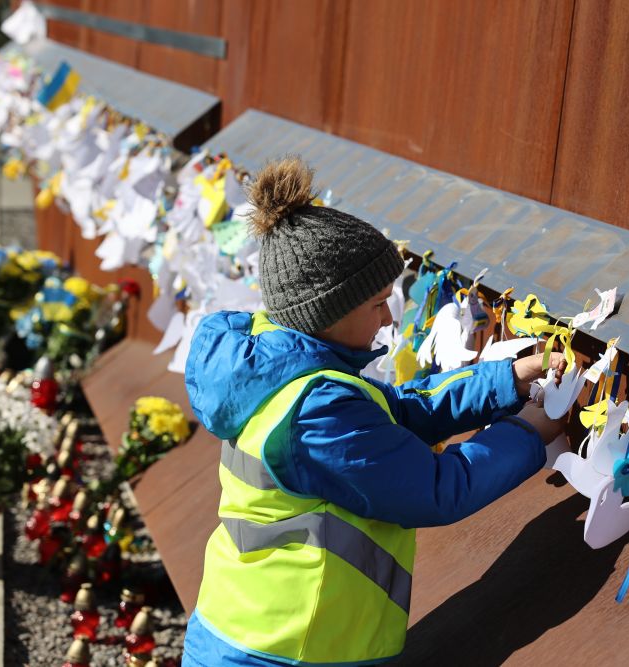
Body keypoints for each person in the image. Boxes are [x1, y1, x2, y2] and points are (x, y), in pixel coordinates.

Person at [181, 156, 566, 666]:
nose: (388, 319)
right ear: (329, 311)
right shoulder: (317, 411)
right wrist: (528, 432)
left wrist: (506, 379)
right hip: (289, 652)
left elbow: (394, 412)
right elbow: (436, 488)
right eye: (377, 304)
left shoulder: (282, 368)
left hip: (244, 629)